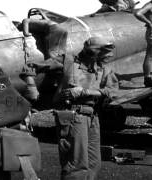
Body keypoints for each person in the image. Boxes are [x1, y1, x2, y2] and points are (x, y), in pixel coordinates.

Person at [52, 36, 118, 180]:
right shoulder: (67, 62)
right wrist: (32, 87)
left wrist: (85, 91)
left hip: (92, 117)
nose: (106, 56)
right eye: (102, 52)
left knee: (94, 164)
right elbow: (30, 67)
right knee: (76, 165)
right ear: (92, 52)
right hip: (73, 116)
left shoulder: (103, 68)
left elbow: (112, 91)